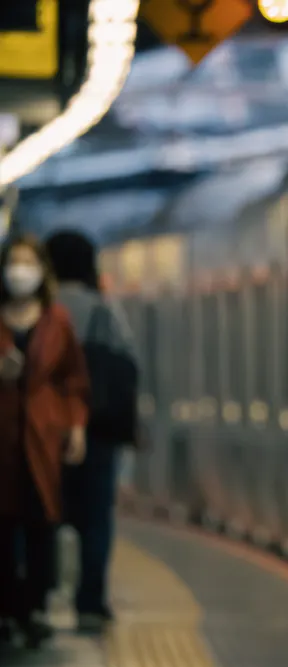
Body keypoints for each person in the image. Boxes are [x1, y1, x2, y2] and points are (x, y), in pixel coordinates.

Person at [0, 234, 89, 648]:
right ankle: (7, 611)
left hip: (41, 438)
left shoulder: (57, 321)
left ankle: (33, 608)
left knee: (40, 524)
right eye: (12, 262)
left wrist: (76, 426)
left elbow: (75, 380)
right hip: (2, 439)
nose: (19, 272)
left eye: (27, 263)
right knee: (2, 528)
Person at [46, 230, 138, 632]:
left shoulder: (42, 310)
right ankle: (90, 600)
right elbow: (127, 362)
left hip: (46, 431)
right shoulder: (104, 311)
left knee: (42, 514)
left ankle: (39, 593)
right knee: (97, 518)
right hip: (98, 432)